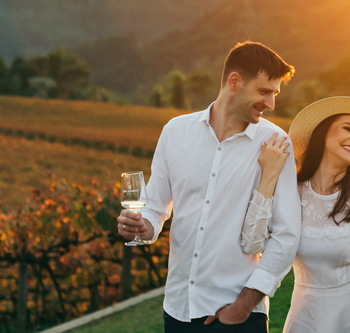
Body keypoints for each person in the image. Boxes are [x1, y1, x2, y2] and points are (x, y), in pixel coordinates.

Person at [117, 41, 301, 331]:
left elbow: (286, 235)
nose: (271, 104)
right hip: (178, 309)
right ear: (235, 82)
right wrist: (142, 227)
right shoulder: (175, 132)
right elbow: (155, 208)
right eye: (264, 92)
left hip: (239, 316)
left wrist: (244, 306)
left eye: (274, 94)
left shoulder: (276, 145)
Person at [241, 96, 350, 333]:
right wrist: (269, 177)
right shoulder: (289, 192)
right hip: (306, 320)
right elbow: (252, 243)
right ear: (323, 133)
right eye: (348, 129)